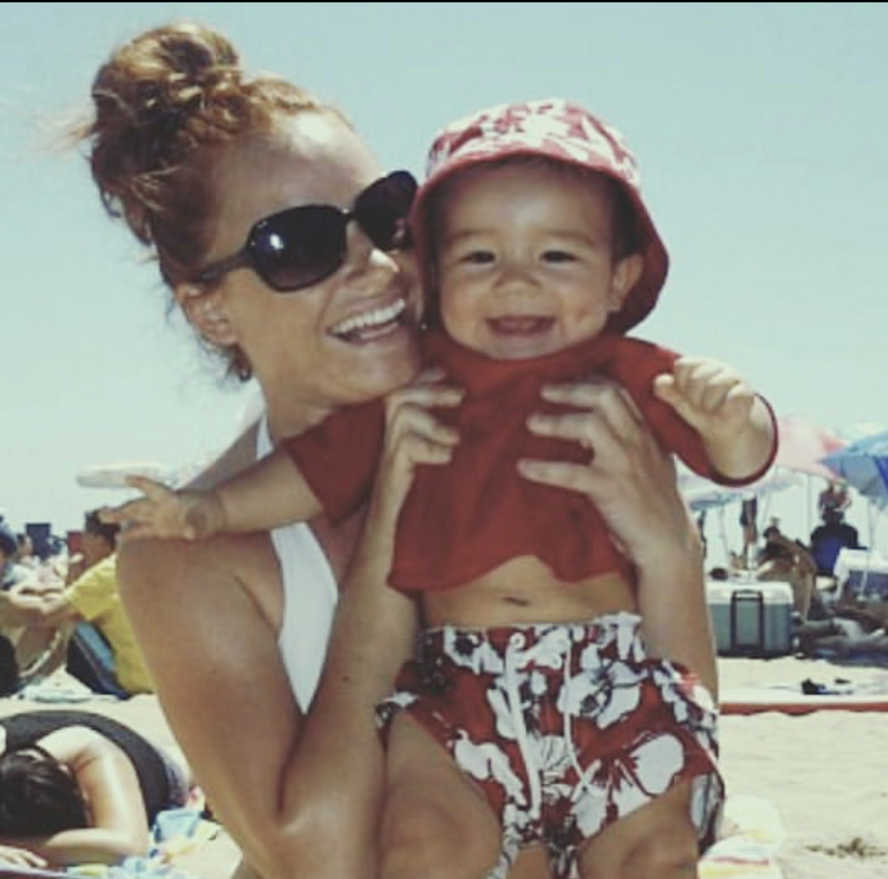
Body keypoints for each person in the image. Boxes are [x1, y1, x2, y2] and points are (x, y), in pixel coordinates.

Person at [83, 24, 719, 879]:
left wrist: (670, 548)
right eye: (299, 245)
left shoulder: (565, 424)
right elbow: (319, 854)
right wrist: (391, 531)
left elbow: (683, 735)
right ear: (211, 308)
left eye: (387, 216)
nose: (377, 265)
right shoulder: (189, 557)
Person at [0, 709, 190, 866]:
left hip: (149, 761)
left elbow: (128, 847)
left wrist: (11, 843)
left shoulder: (88, 749)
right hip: (28, 751)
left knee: (197, 765)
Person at [10, 510, 153, 696]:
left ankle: (11, 676)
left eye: (86, 535)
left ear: (99, 540)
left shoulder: (107, 572)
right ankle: (28, 675)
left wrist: (13, 594)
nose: (81, 542)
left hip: (129, 682)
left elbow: (47, 613)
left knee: (65, 616)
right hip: (158, 678)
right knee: (69, 610)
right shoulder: (139, 566)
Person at [809, 508, 861, 576]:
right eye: (830, 515)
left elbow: (856, 553)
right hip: (821, 575)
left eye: (834, 515)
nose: (832, 517)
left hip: (844, 576)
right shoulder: (818, 533)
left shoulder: (849, 533)